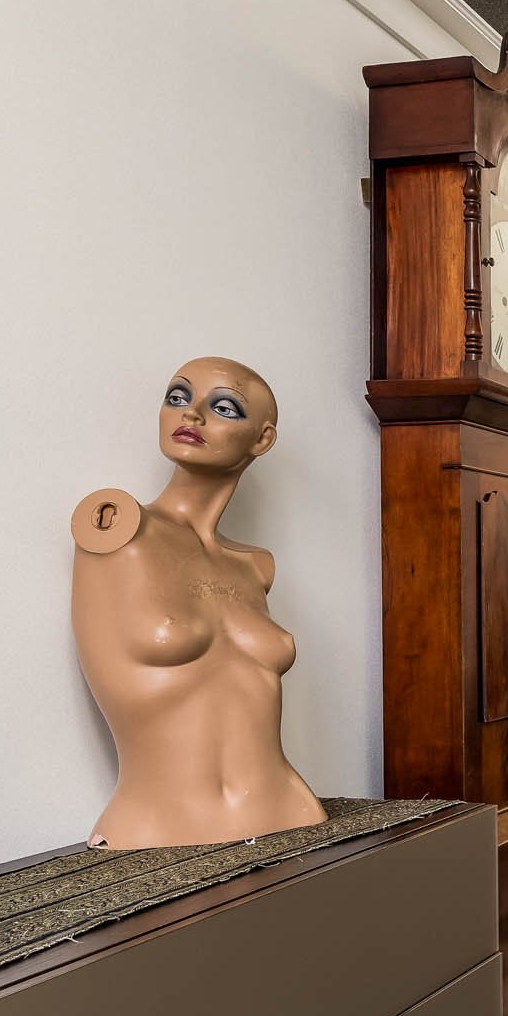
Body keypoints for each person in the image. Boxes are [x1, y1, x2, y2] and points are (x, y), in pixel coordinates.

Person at [70, 358, 325, 847]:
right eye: (178, 398)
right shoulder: (117, 529)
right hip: (157, 833)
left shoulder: (254, 566)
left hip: (287, 812)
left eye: (223, 406)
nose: (191, 416)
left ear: (262, 439)